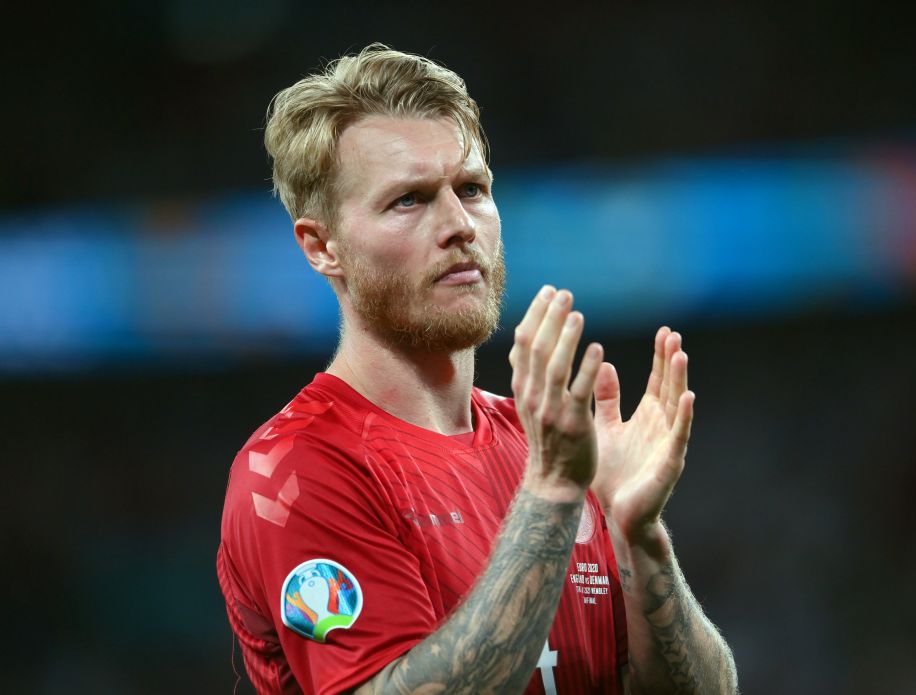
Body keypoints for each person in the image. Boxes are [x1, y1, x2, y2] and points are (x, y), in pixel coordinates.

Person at [217, 43, 738, 695]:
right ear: (323, 246)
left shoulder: (542, 443)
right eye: (409, 200)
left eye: (472, 188)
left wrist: (638, 533)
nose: (459, 224)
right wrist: (550, 491)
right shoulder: (298, 470)